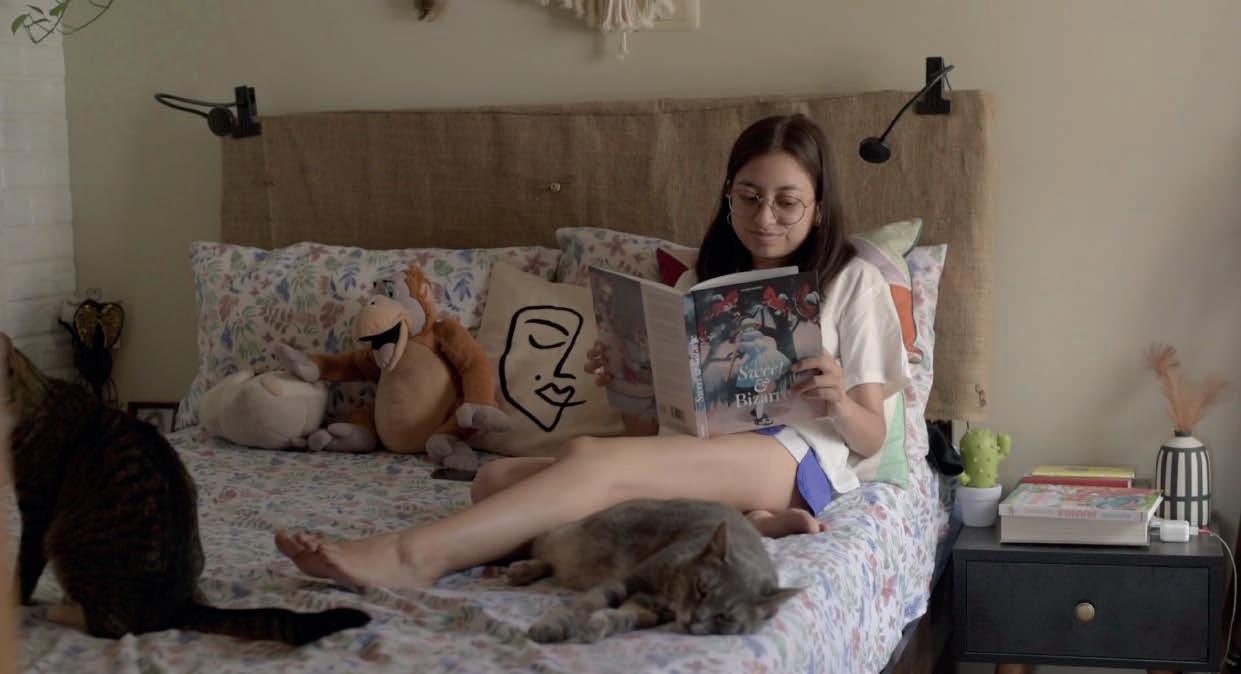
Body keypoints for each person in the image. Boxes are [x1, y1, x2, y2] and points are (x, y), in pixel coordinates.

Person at [275, 114, 908, 590]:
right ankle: (732, 520)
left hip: (791, 455)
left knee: (587, 459)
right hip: (701, 452)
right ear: (727, 195)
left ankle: (413, 556)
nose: (765, 216)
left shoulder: (851, 279)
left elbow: (871, 436)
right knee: (492, 482)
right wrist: (629, 383)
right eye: (748, 196)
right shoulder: (699, 284)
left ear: (818, 209)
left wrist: (836, 399)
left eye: (787, 201)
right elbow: (647, 437)